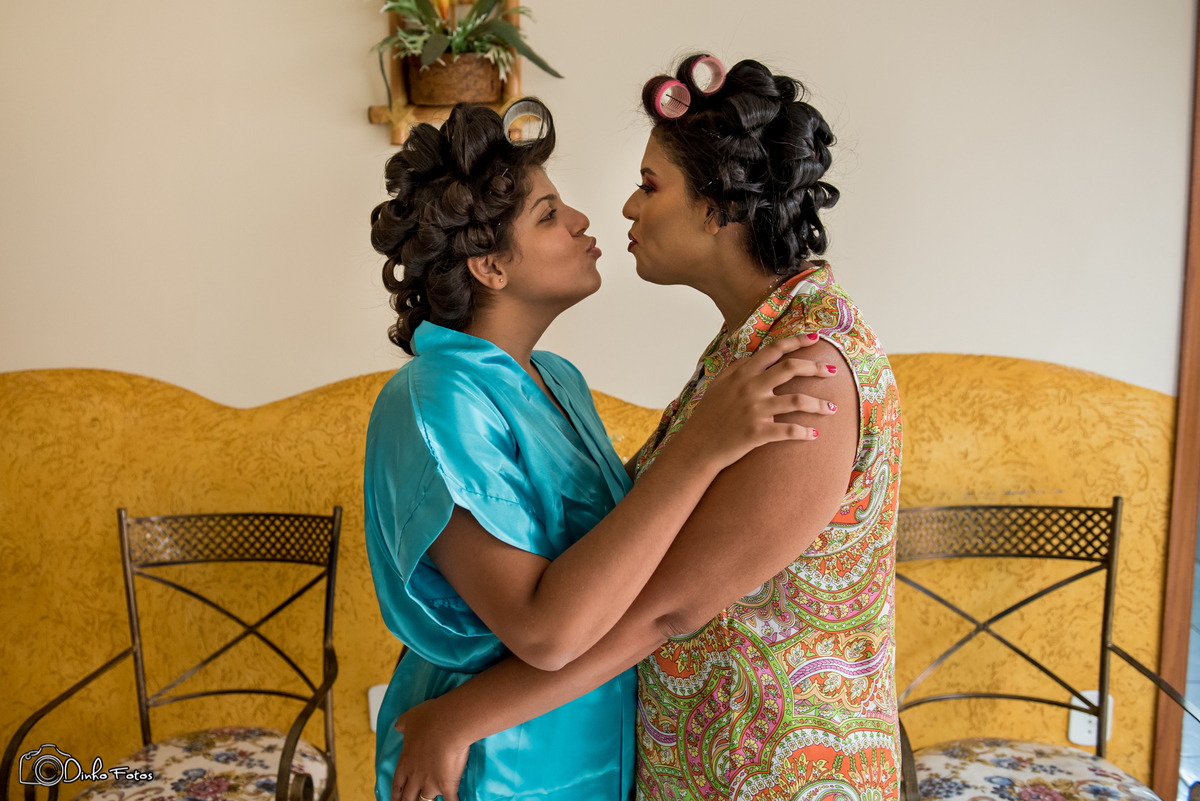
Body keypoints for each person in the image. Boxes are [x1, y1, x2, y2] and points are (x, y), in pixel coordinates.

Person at [384, 56, 903, 801]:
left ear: (717, 208)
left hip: (774, 773)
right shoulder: (747, 350)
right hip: (695, 763)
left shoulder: (807, 367)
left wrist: (464, 715)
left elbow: (664, 605)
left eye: (650, 185)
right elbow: (622, 550)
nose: (622, 208)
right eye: (548, 212)